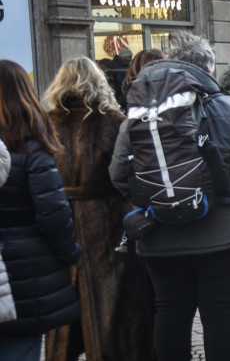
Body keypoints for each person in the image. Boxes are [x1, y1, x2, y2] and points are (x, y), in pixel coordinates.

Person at [109, 32, 230, 361]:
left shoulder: (139, 116)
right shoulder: (229, 108)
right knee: (222, 318)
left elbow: (118, 173)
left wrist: (157, 200)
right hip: (225, 237)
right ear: (209, 69)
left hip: (159, 237)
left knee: (170, 314)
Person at [43, 57, 153, 361]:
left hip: (61, 217)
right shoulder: (114, 121)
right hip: (108, 219)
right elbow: (132, 173)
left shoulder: (46, 123)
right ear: (98, 82)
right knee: (113, 299)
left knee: (64, 298)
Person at [0, 60, 82, 361]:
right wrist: (70, 252)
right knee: (20, 347)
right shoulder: (30, 146)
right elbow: (53, 213)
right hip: (26, 270)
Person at [102, 35, 134, 110]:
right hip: (120, 90)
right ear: (124, 57)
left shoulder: (119, 64)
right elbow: (120, 81)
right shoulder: (119, 66)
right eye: (129, 57)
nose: (130, 59)